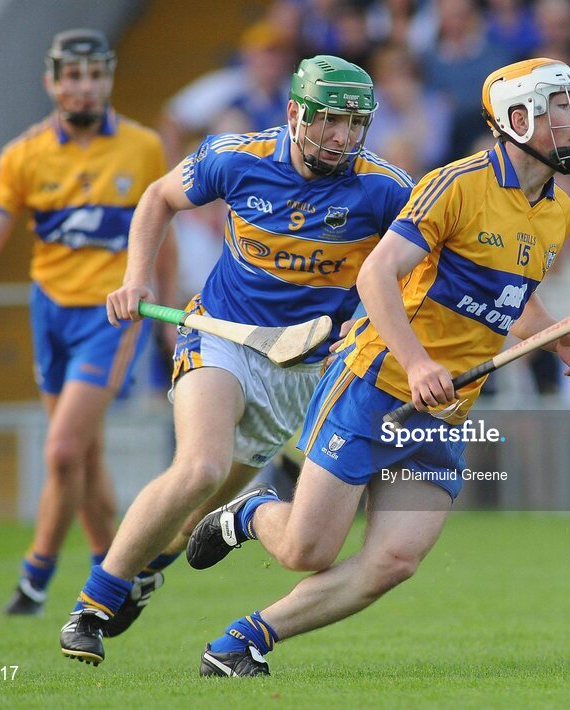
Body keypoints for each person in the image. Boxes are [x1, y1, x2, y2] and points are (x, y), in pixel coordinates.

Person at [184, 57, 570, 677]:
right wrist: (416, 360)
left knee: (393, 562)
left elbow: (512, 301)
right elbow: (375, 274)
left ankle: (244, 641)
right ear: (517, 120)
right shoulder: (456, 186)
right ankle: (250, 512)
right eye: (559, 108)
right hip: (376, 384)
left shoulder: (557, 212)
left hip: (447, 408)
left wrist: (559, 337)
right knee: (307, 549)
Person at [58, 55, 414, 665]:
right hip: (222, 335)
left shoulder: (384, 188)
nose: (343, 138)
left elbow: (421, 266)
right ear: (295, 114)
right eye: (330, 121)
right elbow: (157, 198)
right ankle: (92, 604)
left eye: (356, 124)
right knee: (199, 466)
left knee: (200, 507)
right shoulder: (236, 157)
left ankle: (148, 571)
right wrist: (138, 276)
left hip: (304, 371)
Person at [0, 29, 175, 615]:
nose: (84, 87)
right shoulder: (22, 155)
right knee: (83, 455)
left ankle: (35, 577)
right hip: (49, 312)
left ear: (109, 79)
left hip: (113, 314)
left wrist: (163, 309)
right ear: (52, 83)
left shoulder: (142, 146)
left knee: (62, 451)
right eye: (72, 77)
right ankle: (116, 576)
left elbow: (162, 237)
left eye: (95, 75)